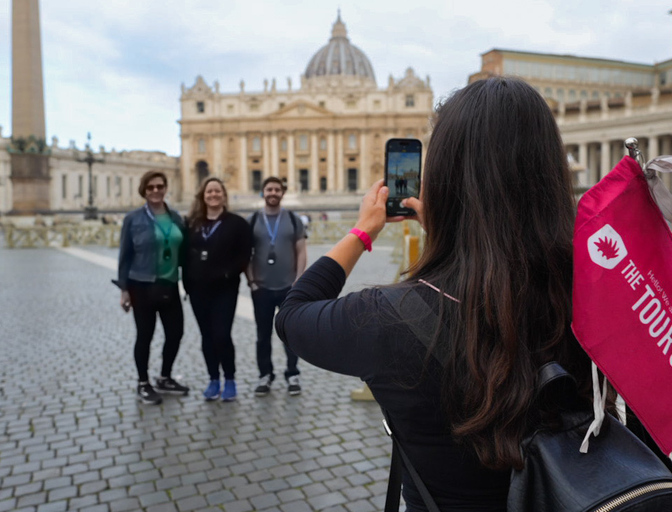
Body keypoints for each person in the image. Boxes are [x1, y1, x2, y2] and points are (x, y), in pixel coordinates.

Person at [276, 77, 594, 511]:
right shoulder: (603, 294)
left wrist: (363, 231)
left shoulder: (389, 318)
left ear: (444, 180)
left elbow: (293, 314)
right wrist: (455, 233)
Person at [114, 170, 190, 404]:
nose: (156, 191)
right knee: (145, 335)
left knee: (175, 333)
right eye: (150, 187)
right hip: (142, 285)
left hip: (169, 284)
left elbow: (184, 250)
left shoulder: (176, 217)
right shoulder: (133, 219)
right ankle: (143, 382)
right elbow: (125, 256)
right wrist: (124, 290)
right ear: (144, 191)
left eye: (159, 186)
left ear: (165, 188)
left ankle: (165, 376)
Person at [184, 177, 251, 402]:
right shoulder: (192, 224)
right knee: (206, 336)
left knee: (222, 334)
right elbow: (184, 255)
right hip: (198, 289)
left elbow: (245, 254)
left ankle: (229, 378)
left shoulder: (237, 223)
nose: (213, 195)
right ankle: (213, 378)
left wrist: (228, 273)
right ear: (203, 196)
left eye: (217, 191)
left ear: (223, 195)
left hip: (225, 289)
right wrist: (187, 283)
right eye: (209, 191)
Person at [246, 177, 307, 397]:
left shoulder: (293, 219)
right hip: (261, 287)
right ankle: (265, 375)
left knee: (290, 333)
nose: (273, 193)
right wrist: (251, 281)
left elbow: (301, 250)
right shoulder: (252, 220)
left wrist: (299, 280)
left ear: (282, 193)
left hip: (288, 287)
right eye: (269, 189)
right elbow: (245, 253)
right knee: (262, 335)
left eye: (276, 189)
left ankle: (292, 373)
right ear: (263, 192)